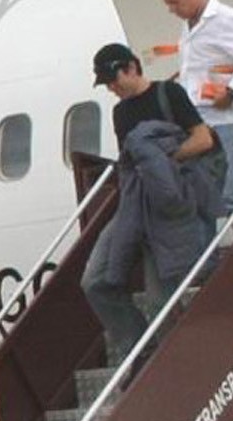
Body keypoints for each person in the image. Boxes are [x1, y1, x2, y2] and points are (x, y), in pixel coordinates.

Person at [84, 43, 221, 366]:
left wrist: (164, 161)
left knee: (161, 298)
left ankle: (174, 364)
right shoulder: (120, 113)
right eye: (107, 84)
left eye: (114, 80)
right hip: (136, 202)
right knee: (95, 282)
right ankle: (141, 350)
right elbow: (130, 161)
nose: (112, 88)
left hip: (172, 205)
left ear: (132, 68)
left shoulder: (168, 94)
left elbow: (203, 138)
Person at [159, 0, 233, 212]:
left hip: (226, 121)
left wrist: (232, 91)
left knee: (231, 195)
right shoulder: (189, 24)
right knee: (202, 197)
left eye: (175, 2)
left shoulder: (225, 19)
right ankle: (209, 250)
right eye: (168, 4)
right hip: (198, 122)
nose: (172, 10)